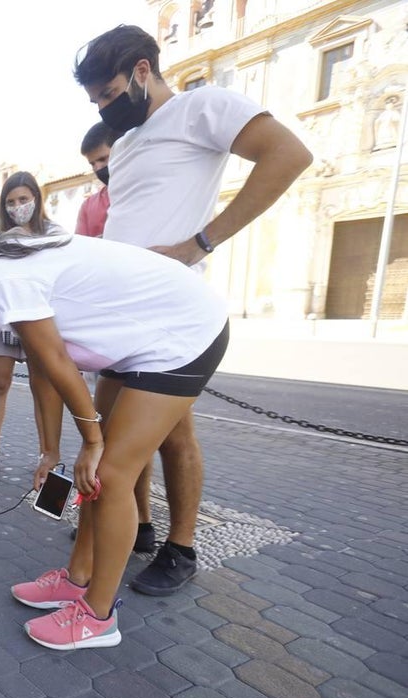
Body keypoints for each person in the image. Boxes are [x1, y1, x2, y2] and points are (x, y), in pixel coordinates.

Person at [0, 202, 229, 650]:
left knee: (110, 474)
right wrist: (51, 452)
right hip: (138, 338)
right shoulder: (8, 260)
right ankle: (78, 579)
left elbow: (60, 363)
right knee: (92, 473)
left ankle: (98, 617)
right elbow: (44, 367)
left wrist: (93, 440)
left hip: (183, 332)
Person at [74, 24, 312, 596]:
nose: (104, 109)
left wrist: (198, 243)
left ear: (141, 71)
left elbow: (290, 155)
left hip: (170, 316)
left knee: (173, 438)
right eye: (94, 102)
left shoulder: (203, 106)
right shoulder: (126, 142)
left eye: (108, 95)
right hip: (122, 315)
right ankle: (143, 529)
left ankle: (181, 549)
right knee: (116, 437)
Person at [71, 122, 156, 553]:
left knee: (156, 444)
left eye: (105, 158)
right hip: (114, 335)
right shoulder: (92, 206)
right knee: (112, 449)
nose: (102, 168)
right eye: (95, 164)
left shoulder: (150, 193)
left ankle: (161, 532)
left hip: (159, 335)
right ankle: (101, 531)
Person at [0, 172, 63, 475]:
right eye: (11, 202)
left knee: (45, 386)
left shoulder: (56, 234)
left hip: (41, 320)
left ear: (37, 199)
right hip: (2, 318)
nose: (18, 207)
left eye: (24, 199)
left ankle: (47, 453)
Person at [74, 122, 118, 238]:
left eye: (103, 159)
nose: (97, 168)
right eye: (92, 164)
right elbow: (82, 249)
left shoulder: (144, 190)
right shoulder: (88, 206)